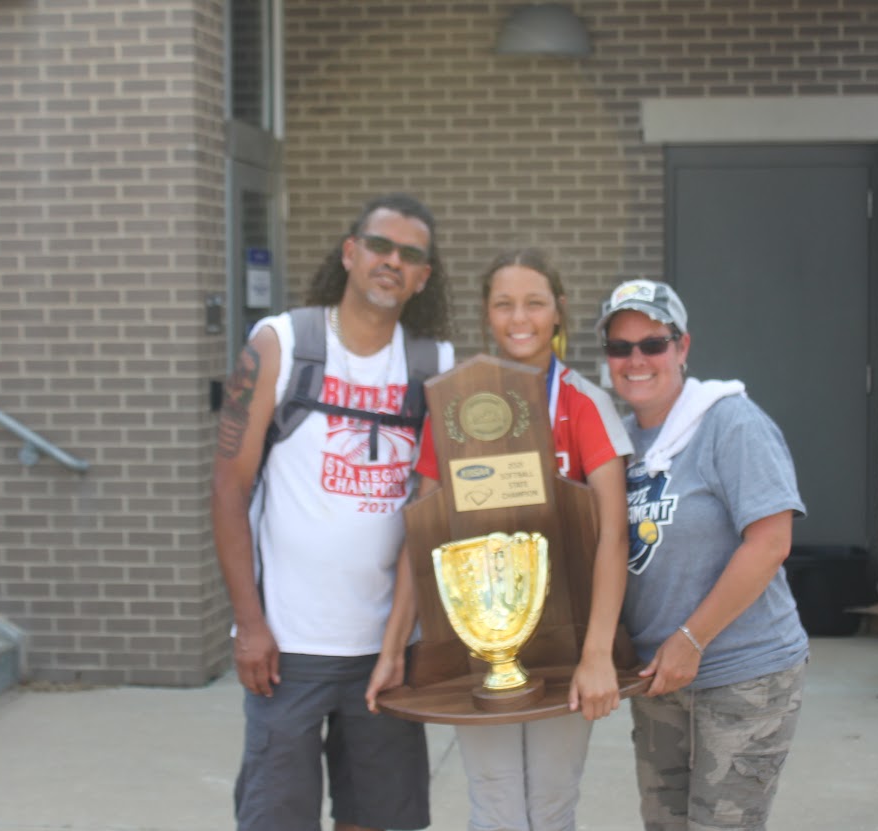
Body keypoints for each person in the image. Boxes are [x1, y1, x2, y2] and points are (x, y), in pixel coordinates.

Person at [366, 248, 632, 831]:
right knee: (494, 803)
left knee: (552, 804)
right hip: (474, 646)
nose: (520, 318)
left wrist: (597, 655)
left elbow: (613, 536)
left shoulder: (585, 403)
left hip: (569, 644)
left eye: (535, 303)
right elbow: (425, 534)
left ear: (558, 312)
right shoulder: (456, 407)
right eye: (504, 304)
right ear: (487, 314)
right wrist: (393, 651)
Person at [212, 193, 454, 831]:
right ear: (350, 253)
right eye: (379, 245)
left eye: (410, 255)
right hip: (287, 648)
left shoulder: (436, 367)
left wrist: (405, 642)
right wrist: (248, 625)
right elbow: (228, 490)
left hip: (387, 651)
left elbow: (437, 515)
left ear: (423, 277)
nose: (391, 261)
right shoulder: (282, 345)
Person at [597, 278, 809, 831]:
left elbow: (770, 543)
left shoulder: (729, 422)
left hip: (741, 670)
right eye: (620, 348)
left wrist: (691, 640)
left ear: (682, 347)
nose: (635, 359)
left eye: (653, 344)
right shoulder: (619, 442)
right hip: (658, 679)